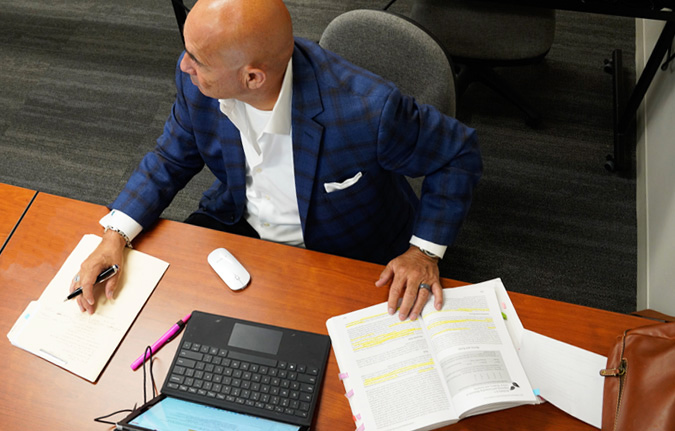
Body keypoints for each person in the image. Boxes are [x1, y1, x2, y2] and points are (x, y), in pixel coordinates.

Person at [71, 0, 482, 321]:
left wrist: (424, 252)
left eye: (197, 59)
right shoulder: (198, 82)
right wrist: (115, 235)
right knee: (186, 324)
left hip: (347, 253)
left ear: (252, 78)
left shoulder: (369, 111)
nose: (183, 65)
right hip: (239, 227)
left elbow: (458, 153)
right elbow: (171, 156)